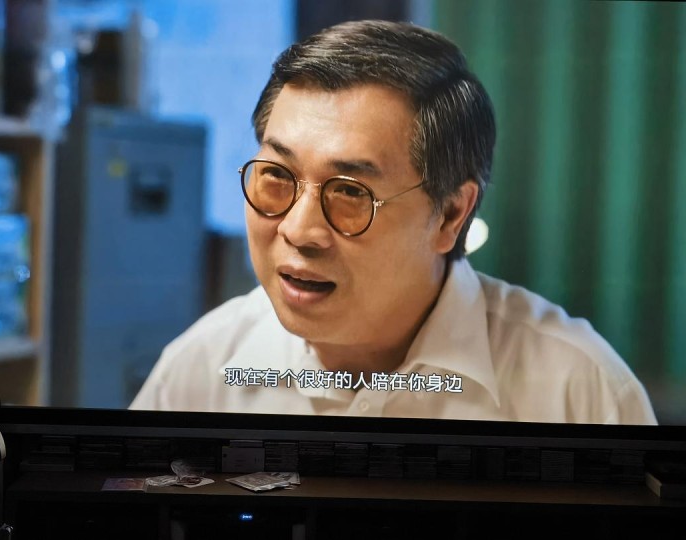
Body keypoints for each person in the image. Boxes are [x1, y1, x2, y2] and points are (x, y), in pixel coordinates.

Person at [131, 20, 656, 424]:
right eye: (277, 176)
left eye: (349, 192)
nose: (298, 230)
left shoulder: (579, 392)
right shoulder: (203, 370)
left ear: (450, 214)